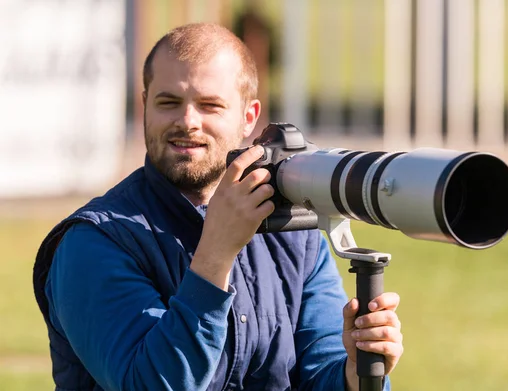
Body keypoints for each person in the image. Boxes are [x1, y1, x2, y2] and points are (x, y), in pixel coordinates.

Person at [33, 22, 403, 391]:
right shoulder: (93, 242)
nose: (188, 121)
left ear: (248, 117)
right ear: (145, 106)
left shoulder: (296, 234)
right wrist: (216, 254)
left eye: (210, 105)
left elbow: (321, 371)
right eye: (168, 102)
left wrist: (356, 372)